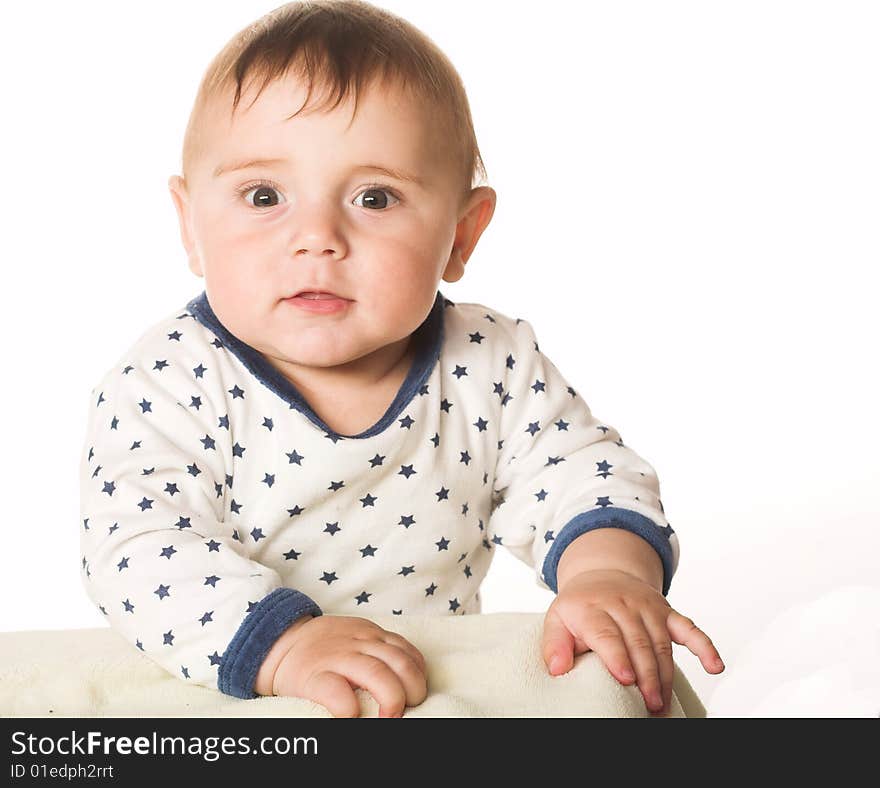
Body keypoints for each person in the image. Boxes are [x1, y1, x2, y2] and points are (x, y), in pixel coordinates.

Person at [79, 0, 723, 718]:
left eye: (374, 197)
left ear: (460, 236)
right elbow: (139, 551)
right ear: (190, 226)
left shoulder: (487, 364)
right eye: (264, 196)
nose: (317, 237)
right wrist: (286, 647)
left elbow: (578, 472)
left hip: (420, 689)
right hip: (226, 684)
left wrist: (606, 573)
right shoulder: (168, 382)